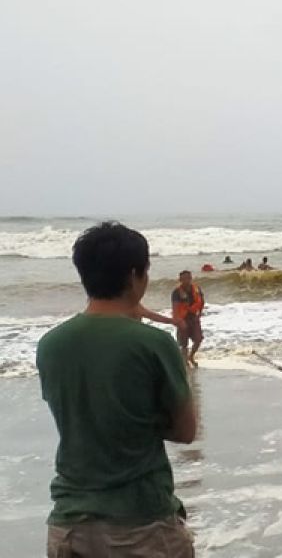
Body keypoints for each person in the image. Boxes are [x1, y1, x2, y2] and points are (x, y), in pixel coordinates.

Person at [37, 222, 197, 556]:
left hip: (68, 523)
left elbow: (79, 416)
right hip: (140, 522)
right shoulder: (153, 344)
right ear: (135, 275)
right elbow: (185, 430)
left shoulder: (50, 345)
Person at [171, 270, 205, 367]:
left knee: (198, 339)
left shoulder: (197, 289)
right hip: (182, 318)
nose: (187, 281)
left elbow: (202, 301)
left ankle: (191, 356)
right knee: (183, 344)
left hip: (194, 317)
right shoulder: (176, 292)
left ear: (191, 278)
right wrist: (177, 320)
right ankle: (185, 362)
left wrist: (200, 313)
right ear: (180, 280)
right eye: (184, 279)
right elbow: (175, 307)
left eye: (188, 278)